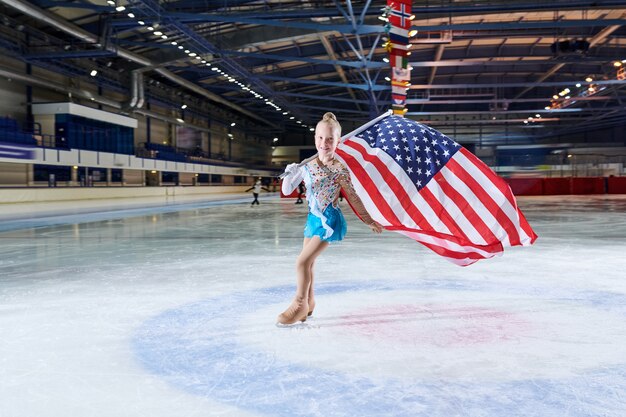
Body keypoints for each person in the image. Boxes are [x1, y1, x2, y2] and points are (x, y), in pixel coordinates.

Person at [277, 112, 383, 325]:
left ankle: (299, 304)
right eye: (320, 138)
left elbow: (353, 196)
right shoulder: (307, 166)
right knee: (310, 264)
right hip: (313, 220)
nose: (324, 143)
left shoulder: (339, 169)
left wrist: (368, 219)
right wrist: (290, 173)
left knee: (302, 262)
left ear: (338, 141)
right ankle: (310, 302)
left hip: (329, 221)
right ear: (315, 137)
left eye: (330, 139)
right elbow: (287, 190)